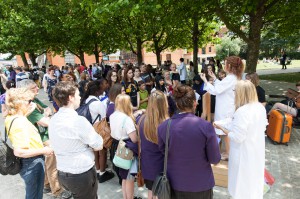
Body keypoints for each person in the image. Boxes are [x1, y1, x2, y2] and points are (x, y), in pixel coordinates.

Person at [157, 85, 221, 199]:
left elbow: (164, 152)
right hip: (200, 184)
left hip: (174, 184)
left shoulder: (163, 127)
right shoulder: (205, 126)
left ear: (176, 104)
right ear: (195, 103)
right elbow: (215, 158)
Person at [17, 80, 71, 198]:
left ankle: (47, 184)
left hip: (43, 136)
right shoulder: (27, 105)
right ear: (25, 91)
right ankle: (57, 190)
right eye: (33, 88)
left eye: (37, 86)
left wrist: (46, 113)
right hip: (42, 138)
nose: (37, 89)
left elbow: (48, 108)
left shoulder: (34, 100)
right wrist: (47, 115)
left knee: (47, 164)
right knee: (52, 164)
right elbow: (46, 122)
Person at [214, 80, 268, 199]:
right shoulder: (259, 107)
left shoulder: (242, 111)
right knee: (253, 180)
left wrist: (223, 130)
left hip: (243, 152)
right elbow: (262, 126)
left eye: (235, 91)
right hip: (256, 149)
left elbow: (237, 137)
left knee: (241, 183)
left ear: (241, 93)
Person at [49, 82, 103, 199]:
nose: (80, 97)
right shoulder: (78, 121)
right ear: (70, 98)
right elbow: (98, 144)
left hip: (63, 172)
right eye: (78, 95)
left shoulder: (53, 119)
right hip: (80, 173)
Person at [5, 88, 54, 199]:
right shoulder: (19, 122)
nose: (31, 103)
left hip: (30, 162)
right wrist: (44, 150)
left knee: (34, 193)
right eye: (29, 101)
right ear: (19, 103)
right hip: (31, 163)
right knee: (34, 195)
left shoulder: (13, 117)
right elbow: (19, 151)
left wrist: (27, 112)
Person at [200, 56, 244, 160]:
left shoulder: (230, 78)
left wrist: (205, 81)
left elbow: (216, 90)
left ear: (229, 66)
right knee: (224, 129)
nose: (224, 65)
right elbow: (222, 86)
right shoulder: (233, 77)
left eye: (225, 63)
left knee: (225, 130)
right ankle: (226, 151)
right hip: (227, 105)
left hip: (225, 107)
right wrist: (215, 78)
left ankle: (228, 153)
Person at [80, 80, 115, 183]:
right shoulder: (97, 103)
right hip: (99, 130)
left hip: (89, 129)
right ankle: (103, 173)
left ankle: (98, 169)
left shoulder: (86, 100)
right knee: (102, 152)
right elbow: (105, 117)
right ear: (97, 90)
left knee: (95, 152)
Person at [139, 90, 169, 199]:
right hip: (162, 166)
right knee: (162, 193)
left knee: (151, 191)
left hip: (147, 164)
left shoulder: (141, 120)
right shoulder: (167, 124)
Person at [109, 94, 138, 199]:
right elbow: (134, 138)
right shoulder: (127, 119)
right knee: (129, 178)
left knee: (123, 177)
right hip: (126, 149)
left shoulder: (112, 116)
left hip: (116, 146)